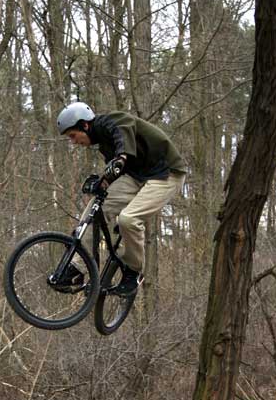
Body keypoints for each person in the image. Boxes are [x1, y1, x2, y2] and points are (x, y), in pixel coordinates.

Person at [56, 102, 187, 296]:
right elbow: (116, 169)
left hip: (166, 173)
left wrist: (121, 157)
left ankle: (133, 272)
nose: (74, 142)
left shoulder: (113, 121)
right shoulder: (103, 144)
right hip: (137, 176)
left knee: (128, 219)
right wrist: (101, 182)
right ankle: (76, 267)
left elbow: (123, 135)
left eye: (73, 136)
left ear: (84, 125)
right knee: (93, 211)